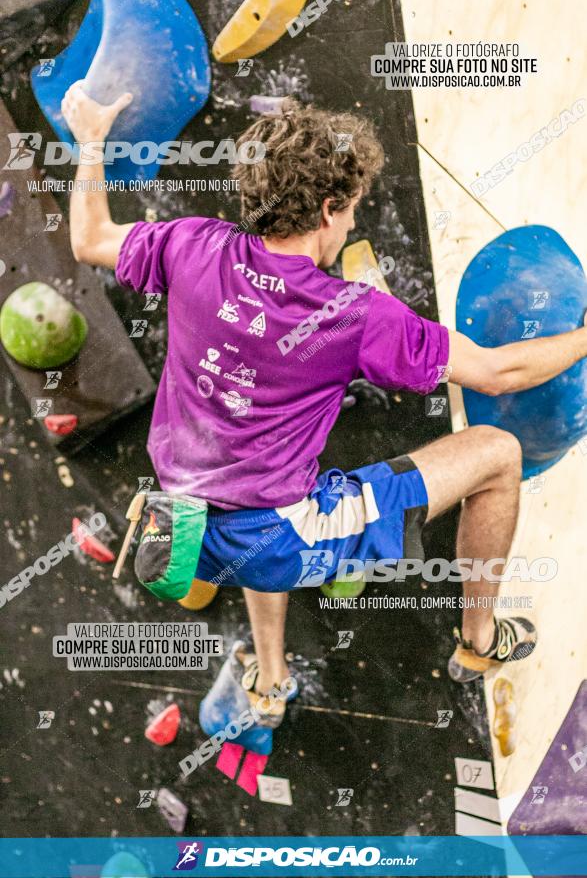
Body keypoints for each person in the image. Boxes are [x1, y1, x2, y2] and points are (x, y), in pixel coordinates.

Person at [62, 83, 587, 718]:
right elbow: (499, 373)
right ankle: (480, 641)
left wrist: (91, 139)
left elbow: (89, 238)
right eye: (354, 209)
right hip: (282, 535)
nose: (357, 222)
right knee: (499, 454)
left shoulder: (193, 244)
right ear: (328, 209)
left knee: (261, 499)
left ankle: (271, 681)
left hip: (184, 515)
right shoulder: (356, 316)